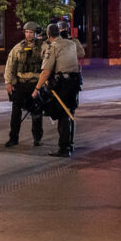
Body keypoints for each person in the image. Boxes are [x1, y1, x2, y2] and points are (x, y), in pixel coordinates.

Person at [36, 22, 82, 157]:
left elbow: (45, 71)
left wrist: (37, 88)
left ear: (48, 34)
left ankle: (64, 148)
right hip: (74, 82)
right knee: (70, 113)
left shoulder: (53, 46)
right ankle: (70, 143)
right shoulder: (72, 43)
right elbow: (80, 53)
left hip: (62, 84)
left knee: (62, 115)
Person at [4, 21, 45, 147]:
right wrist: (8, 82)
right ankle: (13, 138)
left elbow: (48, 64)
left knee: (36, 113)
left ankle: (37, 138)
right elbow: (10, 65)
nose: (28, 35)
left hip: (35, 84)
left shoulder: (43, 47)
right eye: (26, 32)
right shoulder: (18, 48)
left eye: (31, 32)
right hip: (21, 84)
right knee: (15, 113)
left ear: (36, 33)